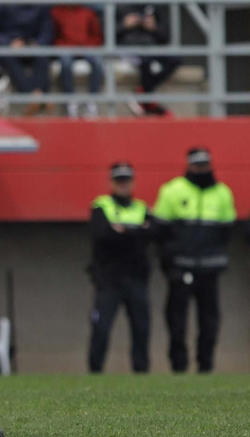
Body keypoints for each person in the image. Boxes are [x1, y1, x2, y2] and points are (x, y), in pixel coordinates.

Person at [154, 147, 238, 374]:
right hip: (180, 266)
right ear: (188, 165)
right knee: (176, 319)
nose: (201, 169)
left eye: (204, 164)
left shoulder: (222, 193)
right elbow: (160, 231)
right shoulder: (172, 190)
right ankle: (179, 366)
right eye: (197, 164)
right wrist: (170, 261)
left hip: (209, 268)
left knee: (209, 320)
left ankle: (205, 365)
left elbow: (227, 230)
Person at [87, 161, 154, 374]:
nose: (123, 185)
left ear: (133, 182)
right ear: (111, 182)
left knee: (141, 328)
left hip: (136, 278)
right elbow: (102, 235)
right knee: (101, 328)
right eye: (119, 181)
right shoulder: (101, 205)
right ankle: (95, 372)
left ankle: (141, 371)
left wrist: (121, 230)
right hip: (109, 279)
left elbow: (154, 234)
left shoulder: (141, 207)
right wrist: (135, 231)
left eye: (127, 181)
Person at [49, 0, 103, 115]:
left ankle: (92, 99)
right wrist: (64, 46)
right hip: (66, 48)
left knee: (98, 63)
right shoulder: (55, 13)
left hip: (87, 48)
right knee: (65, 63)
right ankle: (70, 99)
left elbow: (96, 35)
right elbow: (54, 36)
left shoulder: (87, 12)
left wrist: (89, 46)